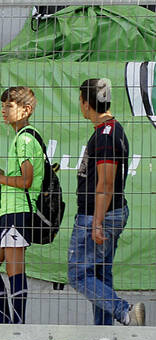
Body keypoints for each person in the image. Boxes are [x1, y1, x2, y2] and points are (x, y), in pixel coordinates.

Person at [68, 77, 143, 325]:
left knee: (78, 274)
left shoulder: (106, 135)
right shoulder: (109, 131)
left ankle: (125, 311)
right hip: (106, 212)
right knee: (100, 275)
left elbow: (106, 183)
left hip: (98, 213)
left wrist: (97, 222)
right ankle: (104, 334)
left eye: (80, 100)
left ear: (86, 103)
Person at [0, 86, 43, 324]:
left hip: (19, 212)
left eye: (9, 106)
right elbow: (12, 178)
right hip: (9, 213)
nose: (3, 110)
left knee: (14, 269)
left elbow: (25, 181)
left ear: (26, 110)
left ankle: (17, 326)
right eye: (3, 106)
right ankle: (7, 323)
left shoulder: (25, 138)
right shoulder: (20, 137)